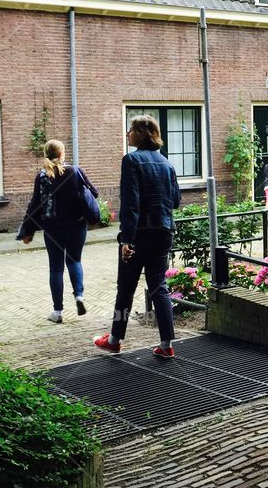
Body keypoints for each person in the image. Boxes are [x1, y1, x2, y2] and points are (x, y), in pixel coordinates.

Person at [93, 115, 181, 356]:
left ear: (141, 134)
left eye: (130, 130)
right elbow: (176, 201)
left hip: (140, 233)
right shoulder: (167, 163)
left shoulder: (131, 160)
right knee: (159, 287)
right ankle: (167, 345)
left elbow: (131, 204)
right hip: (164, 231)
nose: (127, 134)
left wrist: (127, 239)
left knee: (125, 289)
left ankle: (114, 339)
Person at [17, 139, 98, 323]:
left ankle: (57, 312)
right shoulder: (74, 171)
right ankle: (79, 296)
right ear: (62, 154)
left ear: (46, 155)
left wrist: (27, 231)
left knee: (55, 269)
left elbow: (34, 205)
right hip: (76, 226)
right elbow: (94, 193)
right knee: (74, 260)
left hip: (52, 228)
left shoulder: (42, 176)